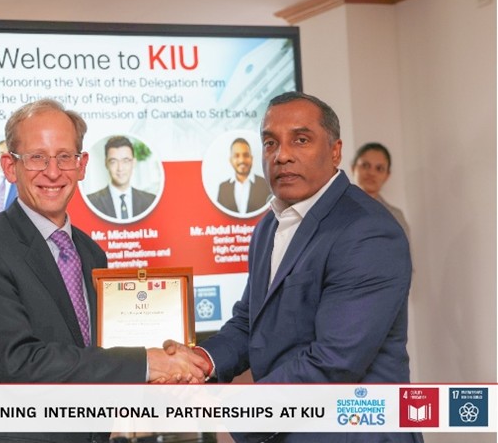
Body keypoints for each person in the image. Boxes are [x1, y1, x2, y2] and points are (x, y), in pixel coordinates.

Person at [165, 91, 421, 443]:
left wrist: (235, 411)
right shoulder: (269, 226)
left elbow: (334, 361)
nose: (282, 155)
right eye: (270, 143)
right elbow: (250, 321)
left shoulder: (367, 231)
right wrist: (203, 360)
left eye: (301, 140)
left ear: (335, 151)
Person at [0, 99, 207, 443]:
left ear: (82, 165)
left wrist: (163, 371)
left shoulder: (90, 252)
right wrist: (147, 364)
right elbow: (20, 364)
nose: (53, 172)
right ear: (10, 167)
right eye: (37, 157)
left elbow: (96, 355)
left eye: (64, 157)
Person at [87, 136, 156, 220]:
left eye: (125, 161)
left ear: (133, 163)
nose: (120, 168)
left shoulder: (151, 201)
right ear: (106, 163)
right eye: (113, 162)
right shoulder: (90, 202)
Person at [351, 142, 410, 239]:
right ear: (353, 168)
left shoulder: (395, 217)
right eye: (365, 165)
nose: (371, 173)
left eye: (379, 168)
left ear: (387, 175)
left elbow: (403, 249)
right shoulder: (333, 209)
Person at [216, 137, 271, 214]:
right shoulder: (223, 188)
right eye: (236, 156)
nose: (242, 160)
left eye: (246, 155)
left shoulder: (265, 185)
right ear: (231, 160)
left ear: (251, 158)